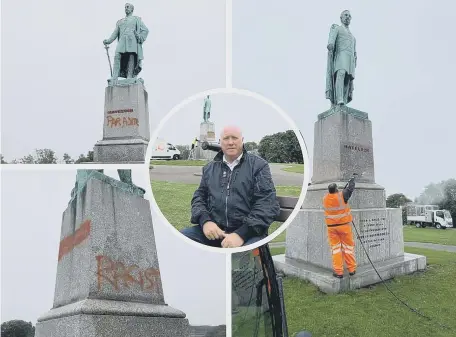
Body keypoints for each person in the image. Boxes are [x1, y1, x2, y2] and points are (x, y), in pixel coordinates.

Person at [181, 126, 280, 248]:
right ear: (220, 141)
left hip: (250, 232)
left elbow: (267, 204)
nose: (231, 142)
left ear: (242, 140)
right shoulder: (209, 168)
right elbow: (199, 198)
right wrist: (205, 221)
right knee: (181, 239)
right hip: (217, 231)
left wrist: (241, 234)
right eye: (226, 138)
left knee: (243, 258)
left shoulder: (258, 166)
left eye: (235, 138)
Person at [103, 3, 149, 81]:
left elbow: (145, 30)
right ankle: (114, 77)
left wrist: (139, 36)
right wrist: (108, 41)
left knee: (131, 57)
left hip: (132, 41)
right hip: (122, 41)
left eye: (128, 7)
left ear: (132, 9)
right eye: (125, 7)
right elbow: (115, 33)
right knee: (117, 56)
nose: (126, 8)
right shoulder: (120, 22)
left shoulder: (136, 19)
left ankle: (129, 76)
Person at [323, 175, 357, 278]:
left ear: (329, 191)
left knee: (336, 250)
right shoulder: (342, 195)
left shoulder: (325, 198)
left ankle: (339, 272)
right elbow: (350, 188)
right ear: (337, 189)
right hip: (344, 227)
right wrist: (352, 179)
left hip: (331, 228)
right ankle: (351, 269)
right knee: (348, 248)